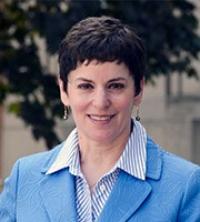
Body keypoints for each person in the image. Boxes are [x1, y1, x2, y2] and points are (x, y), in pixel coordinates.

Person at [0, 16, 200, 222]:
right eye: (86, 86)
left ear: (138, 90)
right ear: (64, 90)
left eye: (115, 86)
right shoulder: (24, 178)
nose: (100, 102)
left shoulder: (186, 185)